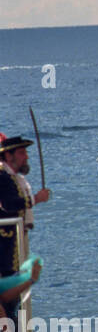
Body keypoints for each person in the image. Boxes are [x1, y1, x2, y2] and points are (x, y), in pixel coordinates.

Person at [1, 135, 50, 315]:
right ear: (8, 156)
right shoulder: (2, 177)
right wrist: (35, 199)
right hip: (5, 245)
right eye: (21, 153)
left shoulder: (11, 177)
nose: (26, 157)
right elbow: (8, 204)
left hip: (13, 243)